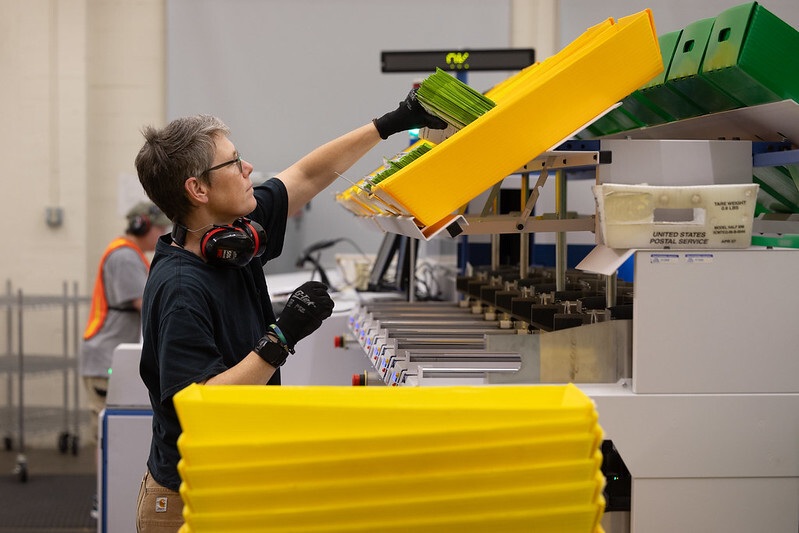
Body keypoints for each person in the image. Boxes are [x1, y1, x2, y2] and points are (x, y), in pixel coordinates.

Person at [132, 89, 446, 532]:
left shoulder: (234, 237)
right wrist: (282, 337)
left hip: (235, 481)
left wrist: (392, 123)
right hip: (189, 498)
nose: (247, 170)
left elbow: (308, 174)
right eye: (234, 163)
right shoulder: (183, 289)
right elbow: (204, 405)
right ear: (197, 189)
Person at [80, 201, 170, 444]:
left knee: (110, 436)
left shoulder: (129, 254)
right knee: (106, 437)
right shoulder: (125, 257)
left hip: (108, 355)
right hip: (106, 358)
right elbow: (145, 303)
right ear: (141, 225)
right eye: (159, 229)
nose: (162, 234)